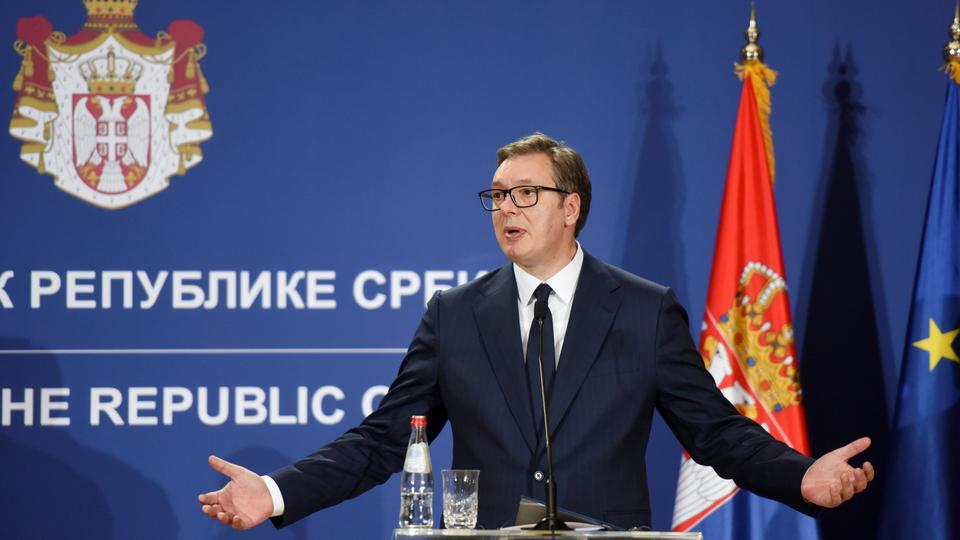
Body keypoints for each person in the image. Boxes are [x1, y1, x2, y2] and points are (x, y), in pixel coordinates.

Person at [199, 133, 874, 531]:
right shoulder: (455, 314)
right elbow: (382, 441)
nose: (505, 208)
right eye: (496, 195)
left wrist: (799, 476)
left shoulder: (641, 309)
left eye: (526, 193)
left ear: (570, 208)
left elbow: (714, 432)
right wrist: (275, 491)